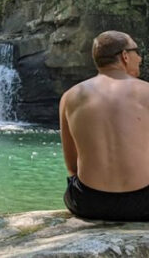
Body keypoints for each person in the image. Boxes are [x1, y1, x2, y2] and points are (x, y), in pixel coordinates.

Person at [59, 30, 149, 221]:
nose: (140, 58)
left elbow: (72, 166)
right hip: (144, 204)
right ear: (125, 56)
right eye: (136, 51)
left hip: (88, 202)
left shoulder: (70, 96)